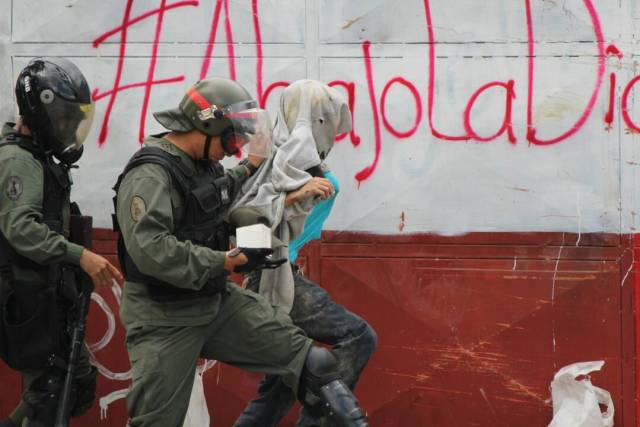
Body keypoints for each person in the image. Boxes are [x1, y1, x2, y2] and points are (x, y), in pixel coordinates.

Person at [113, 76, 369, 427]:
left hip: (213, 302)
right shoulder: (150, 175)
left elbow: (221, 193)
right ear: (207, 125)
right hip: (165, 315)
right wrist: (225, 260)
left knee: (312, 363)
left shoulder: (205, 166)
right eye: (231, 138)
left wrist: (251, 169)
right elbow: (150, 250)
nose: (234, 149)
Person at [231, 80, 377, 427]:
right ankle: (321, 419)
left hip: (282, 273)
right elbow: (241, 214)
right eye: (325, 120)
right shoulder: (285, 158)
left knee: (285, 381)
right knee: (359, 336)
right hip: (270, 276)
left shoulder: (295, 159)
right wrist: (293, 196)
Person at [0, 58, 123, 427]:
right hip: (27, 296)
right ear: (39, 112)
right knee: (52, 389)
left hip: (45, 295)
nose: (70, 127)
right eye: (64, 118)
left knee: (71, 382)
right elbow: (21, 228)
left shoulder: (37, 157)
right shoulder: (19, 160)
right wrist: (78, 255)